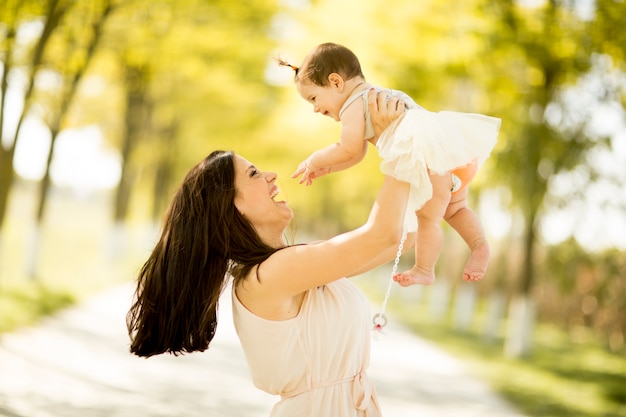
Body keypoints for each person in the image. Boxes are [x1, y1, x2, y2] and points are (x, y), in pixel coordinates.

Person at [126, 90, 412, 417]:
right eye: (253, 175)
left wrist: (448, 193)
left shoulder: (292, 268)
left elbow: (397, 242)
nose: (271, 176)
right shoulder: (269, 276)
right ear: (233, 209)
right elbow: (382, 235)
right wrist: (396, 142)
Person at [277, 42, 501, 286]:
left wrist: (315, 160)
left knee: (428, 218)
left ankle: (424, 268)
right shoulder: (375, 94)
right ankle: (479, 245)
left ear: (336, 82)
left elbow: (347, 148)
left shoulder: (353, 105)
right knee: (455, 209)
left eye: (314, 98)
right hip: (453, 154)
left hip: (430, 160)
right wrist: (330, 167)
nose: (315, 109)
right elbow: (356, 155)